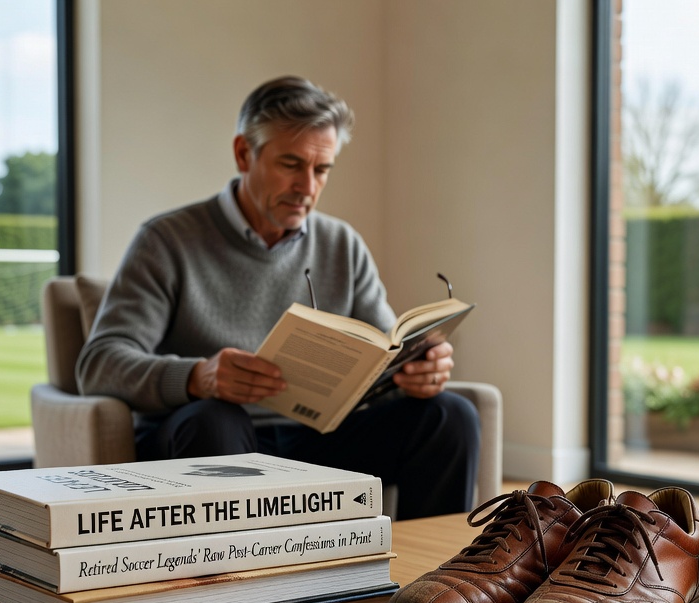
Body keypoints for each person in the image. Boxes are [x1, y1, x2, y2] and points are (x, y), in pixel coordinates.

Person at [76, 76, 479, 518]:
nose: (307, 186)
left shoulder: (341, 244)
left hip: (318, 440)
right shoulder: (167, 241)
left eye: (321, 169)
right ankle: (236, 584)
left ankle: (442, 580)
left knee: (450, 415)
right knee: (216, 419)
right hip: (210, 438)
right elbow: (99, 363)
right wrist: (198, 377)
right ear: (244, 154)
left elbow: (384, 354)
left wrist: (416, 372)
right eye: (291, 164)